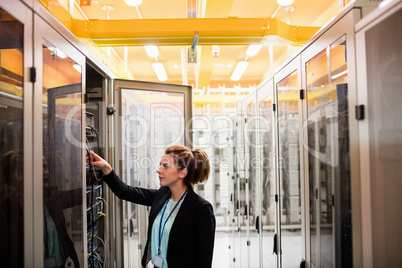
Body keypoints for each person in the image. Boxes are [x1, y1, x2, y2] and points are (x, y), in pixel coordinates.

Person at [87, 145, 216, 268]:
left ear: (182, 173)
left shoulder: (201, 209)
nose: (158, 170)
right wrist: (106, 168)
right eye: (160, 165)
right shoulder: (162, 195)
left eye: (165, 166)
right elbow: (126, 192)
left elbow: (204, 261)